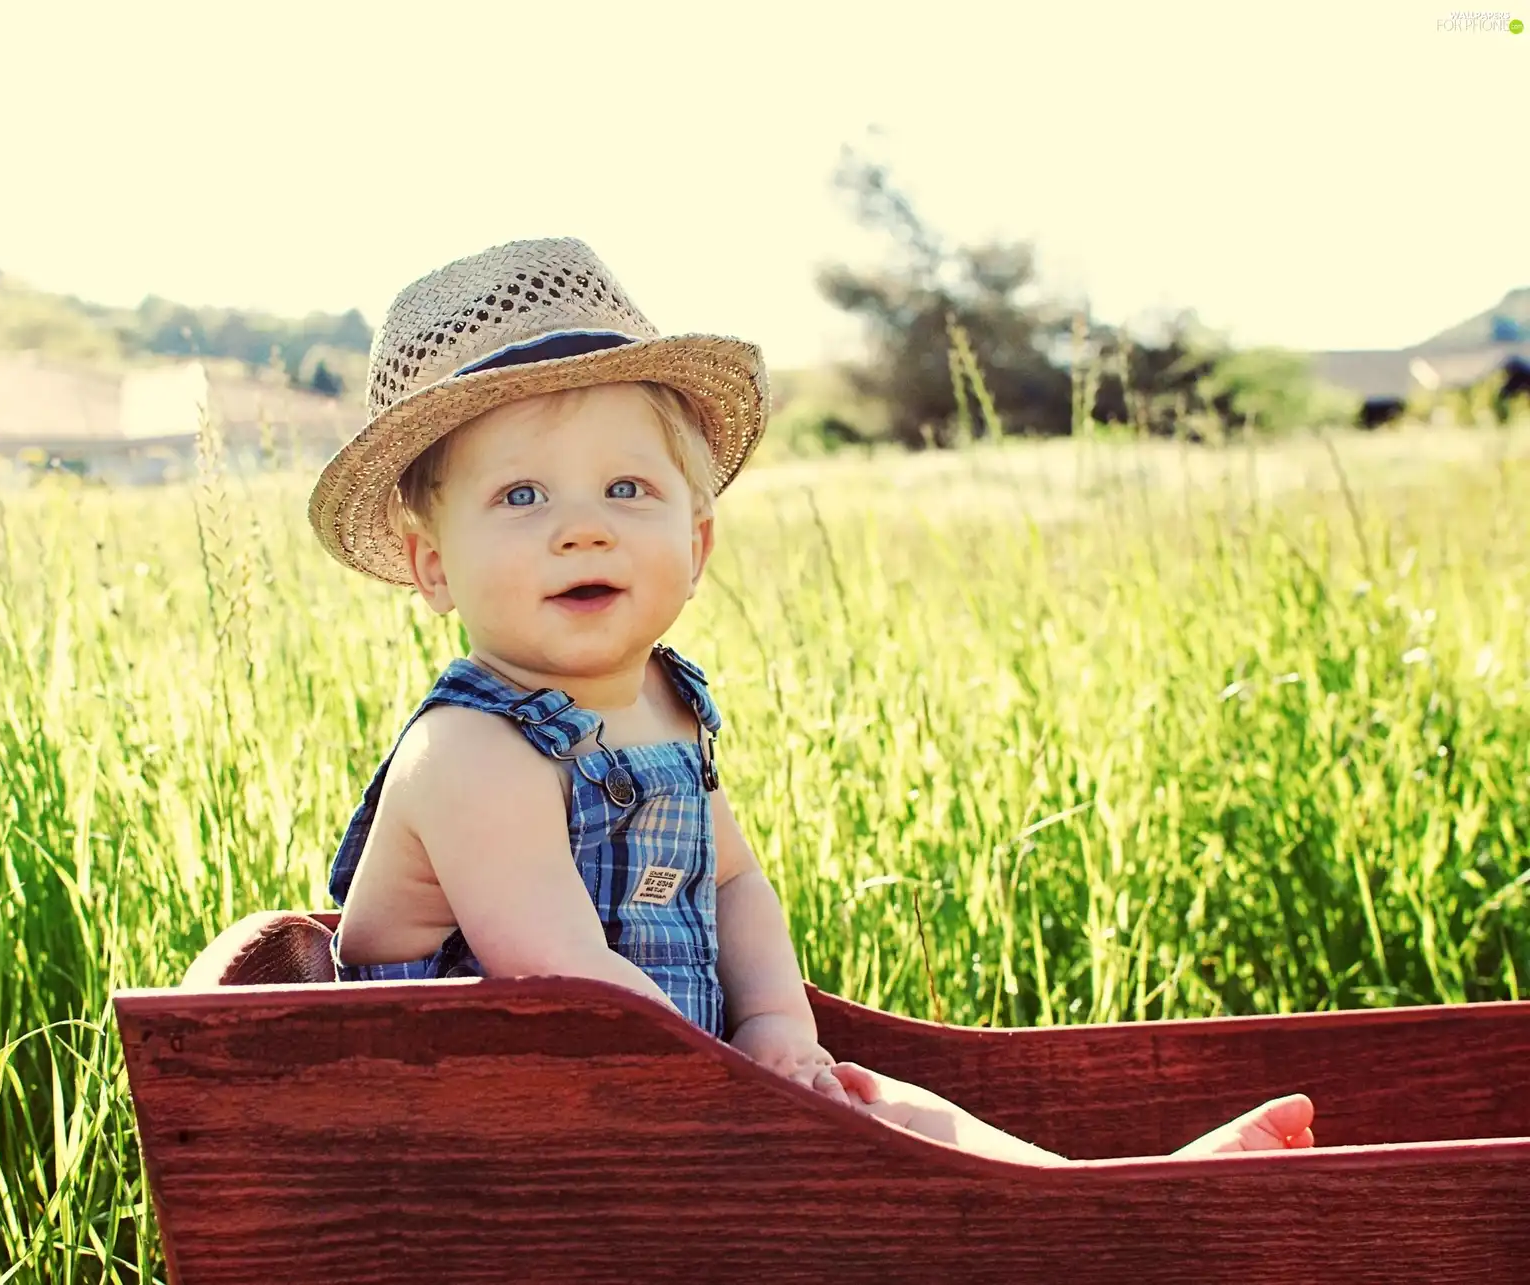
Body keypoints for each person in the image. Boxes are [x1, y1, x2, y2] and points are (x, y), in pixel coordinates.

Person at [307, 237, 1314, 1163]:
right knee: (854, 1143)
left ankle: (1104, 1197)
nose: (583, 529)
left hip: (658, 1102)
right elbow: (567, 986)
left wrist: (781, 1032)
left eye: (627, 490)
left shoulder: (664, 706)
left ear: (695, 545)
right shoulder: (472, 753)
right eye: (521, 497)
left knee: (890, 1104)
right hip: (501, 1144)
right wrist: (752, 1096)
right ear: (432, 566)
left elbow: (736, 886)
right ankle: (1106, 1221)